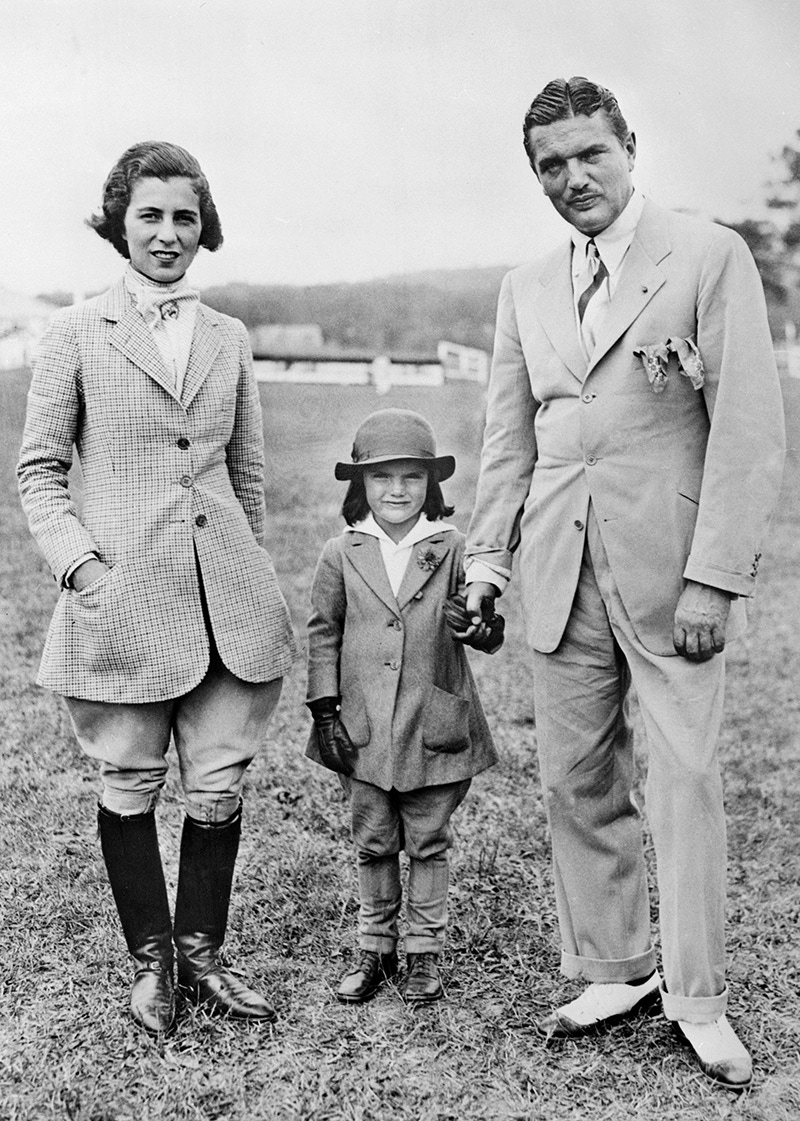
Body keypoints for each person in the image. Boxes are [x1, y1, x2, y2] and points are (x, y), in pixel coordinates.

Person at [462, 78, 785, 1089]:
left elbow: (743, 428)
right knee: (574, 780)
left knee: (681, 780)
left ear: (628, 147)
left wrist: (711, 580)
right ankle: (612, 966)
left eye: (587, 155)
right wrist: (485, 558)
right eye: (549, 165)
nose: (571, 178)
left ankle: (696, 996)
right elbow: (507, 441)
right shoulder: (524, 286)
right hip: (559, 571)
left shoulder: (705, 255)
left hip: (671, 577)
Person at [17, 142, 297, 1035]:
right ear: (119, 224)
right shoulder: (75, 332)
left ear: (201, 227)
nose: (168, 233)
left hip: (226, 604)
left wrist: (247, 574)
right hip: (122, 603)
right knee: (129, 779)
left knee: (217, 784)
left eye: (184, 217)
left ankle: (203, 951)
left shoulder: (229, 336)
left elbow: (246, 473)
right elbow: (38, 473)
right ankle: (153, 960)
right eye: (150, 215)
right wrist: (84, 570)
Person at [305, 408, 501, 1005]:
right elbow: (322, 633)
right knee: (372, 838)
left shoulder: (453, 547)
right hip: (360, 729)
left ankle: (422, 953)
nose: (397, 491)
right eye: (381, 477)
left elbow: (489, 626)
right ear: (360, 485)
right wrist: (324, 709)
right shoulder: (342, 551)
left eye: (411, 478)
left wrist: (479, 627)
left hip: (432, 723)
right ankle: (375, 947)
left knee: (429, 837)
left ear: (431, 484)